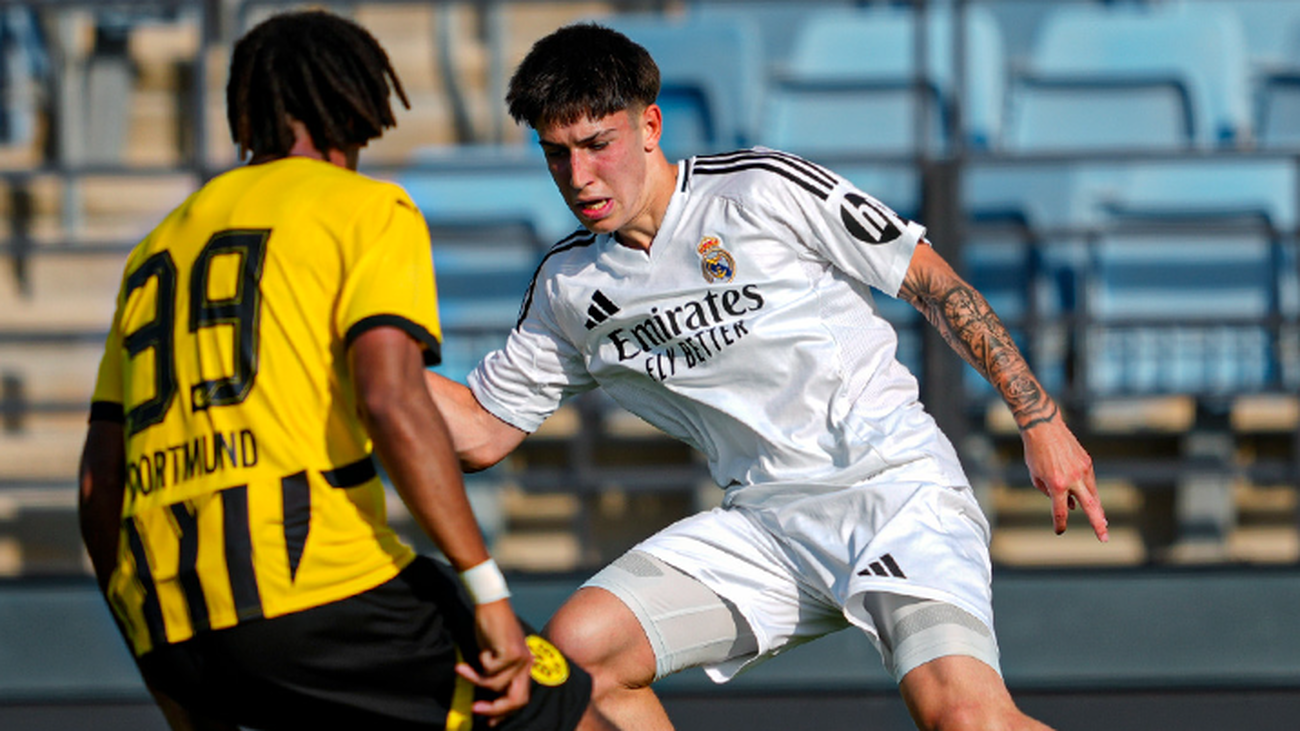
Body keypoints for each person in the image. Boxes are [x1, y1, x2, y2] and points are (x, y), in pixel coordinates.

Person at [423, 22, 1110, 731]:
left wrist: (1041, 419)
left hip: (894, 491)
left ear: (650, 125)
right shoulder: (569, 285)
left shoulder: (761, 189)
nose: (580, 176)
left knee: (968, 720)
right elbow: (479, 429)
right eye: (557, 154)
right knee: (579, 657)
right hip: (764, 526)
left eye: (599, 144)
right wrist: (357, 364)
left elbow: (933, 284)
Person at [77, 11, 614, 731]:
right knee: (562, 708)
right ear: (355, 106)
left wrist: (157, 655)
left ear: (249, 110)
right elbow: (392, 401)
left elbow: (98, 482)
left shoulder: (153, 251)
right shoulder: (363, 209)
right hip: (319, 592)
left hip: (170, 622)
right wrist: (487, 592)